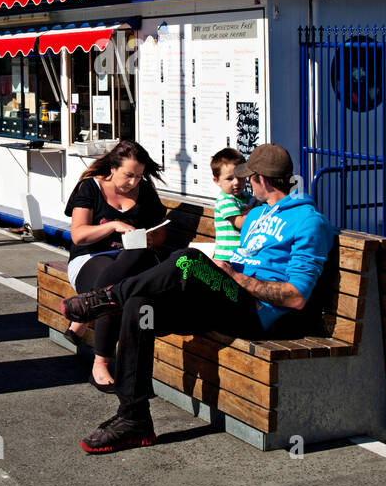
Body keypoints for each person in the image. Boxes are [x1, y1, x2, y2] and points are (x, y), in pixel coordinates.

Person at [62, 143, 332, 453]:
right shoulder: (257, 214)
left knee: (188, 260)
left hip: (256, 311)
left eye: (249, 178)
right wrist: (223, 268)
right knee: (140, 307)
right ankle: (134, 418)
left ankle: (106, 299)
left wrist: (235, 277)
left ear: (262, 179)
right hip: (225, 300)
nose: (246, 183)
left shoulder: (309, 222)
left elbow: (296, 297)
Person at [63, 140, 169, 393]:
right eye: (129, 175)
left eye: (139, 176)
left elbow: (161, 233)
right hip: (90, 258)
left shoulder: (145, 190)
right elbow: (78, 235)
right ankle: (100, 364)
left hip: (132, 260)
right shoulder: (90, 187)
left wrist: (150, 238)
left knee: (128, 271)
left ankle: (87, 310)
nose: (134, 182)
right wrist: (112, 225)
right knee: (116, 288)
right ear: (112, 168)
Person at [210, 147, 253, 265]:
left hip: (242, 254)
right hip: (228, 256)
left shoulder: (247, 197)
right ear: (217, 180)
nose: (236, 182)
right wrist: (255, 211)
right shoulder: (225, 200)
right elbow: (239, 223)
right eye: (229, 178)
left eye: (240, 177)